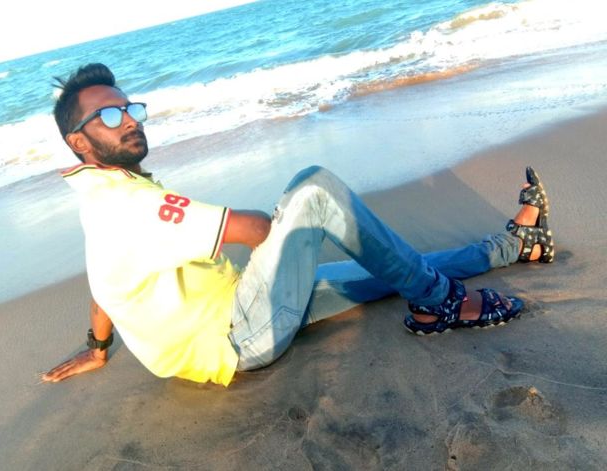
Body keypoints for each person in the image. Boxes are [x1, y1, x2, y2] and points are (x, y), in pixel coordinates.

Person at [41, 63, 554, 387]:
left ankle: (513, 247)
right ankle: (440, 303)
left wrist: (99, 348)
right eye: (110, 116)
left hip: (244, 306)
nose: (130, 119)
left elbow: (105, 283)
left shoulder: (99, 198)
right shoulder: (130, 204)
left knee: (391, 269)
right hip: (241, 336)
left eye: (130, 108)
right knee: (314, 189)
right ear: (78, 142)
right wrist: (289, 246)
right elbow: (253, 229)